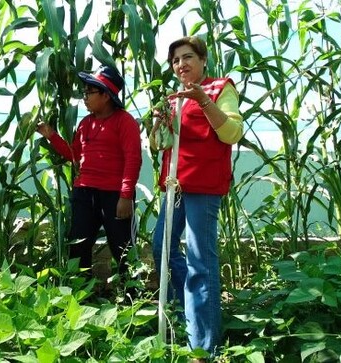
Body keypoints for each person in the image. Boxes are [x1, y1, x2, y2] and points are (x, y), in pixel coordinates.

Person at [150, 36, 243, 358]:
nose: (181, 64)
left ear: (203, 60)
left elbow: (232, 133)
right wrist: (159, 125)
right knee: (161, 248)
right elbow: (161, 146)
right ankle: (184, 316)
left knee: (201, 262)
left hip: (203, 187)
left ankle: (204, 347)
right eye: (175, 60)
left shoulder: (219, 89)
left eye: (187, 57)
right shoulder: (175, 99)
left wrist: (203, 99)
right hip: (176, 187)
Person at [36, 65, 142, 283]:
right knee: (78, 245)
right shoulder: (86, 123)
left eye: (89, 92)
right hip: (85, 193)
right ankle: (81, 296)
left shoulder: (125, 122)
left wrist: (125, 196)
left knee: (122, 249)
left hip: (114, 196)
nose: (84, 97)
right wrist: (51, 135)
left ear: (105, 95)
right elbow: (75, 156)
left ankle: (132, 296)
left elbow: (133, 160)